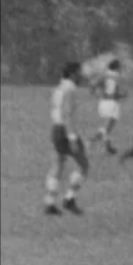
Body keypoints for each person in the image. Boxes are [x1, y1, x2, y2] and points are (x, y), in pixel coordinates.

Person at [44, 62, 89, 216]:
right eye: (78, 72)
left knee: (57, 165)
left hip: (56, 128)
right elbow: (68, 114)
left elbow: (55, 109)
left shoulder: (59, 87)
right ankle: (69, 199)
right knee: (84, 166)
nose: (81, 75)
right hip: (65, 130)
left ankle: (49, 203)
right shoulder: (70, 88)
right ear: (71, 73)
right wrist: (72, 138)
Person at [89, 58, 126, 155]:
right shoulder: (117, 76)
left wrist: (95, 94)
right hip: (112, 104)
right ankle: (94, 142)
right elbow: (117, 93)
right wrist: (124, 95)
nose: (121, 69)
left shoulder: (104, 75)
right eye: (120, 67)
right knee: (107, 128)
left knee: (106, 129)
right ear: (117, 67)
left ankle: (106, 147)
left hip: (102, 103)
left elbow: (92, 84)